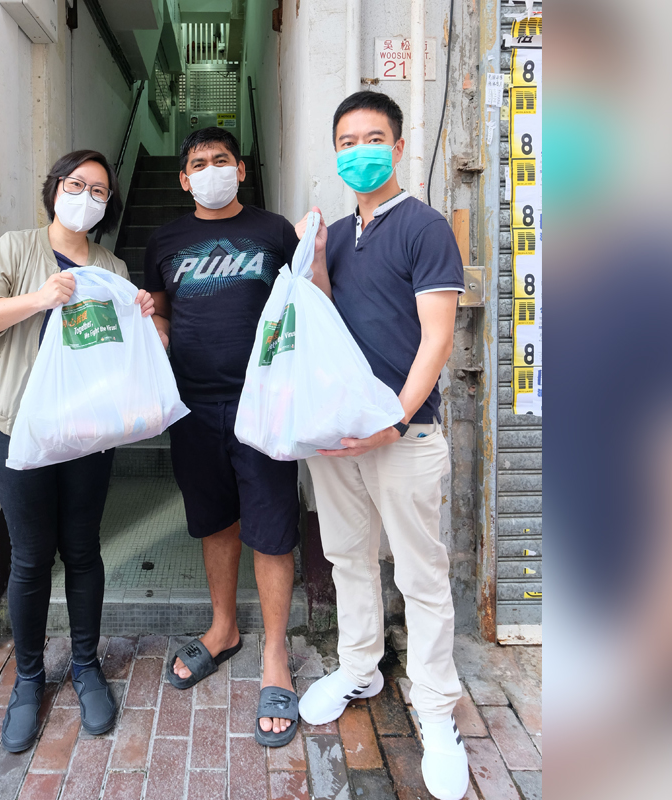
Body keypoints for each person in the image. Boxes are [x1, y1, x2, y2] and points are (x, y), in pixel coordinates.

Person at [294, 92, 469, 799]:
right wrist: (312, 262)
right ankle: (360, 667)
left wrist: (392, 421)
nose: (358, 150)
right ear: (334, 153)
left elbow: (437, 339)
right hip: (339, 437)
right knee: (347, 559)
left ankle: (435, 710)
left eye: (373, 137)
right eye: (346, 140)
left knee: (421, 578)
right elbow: (328, 321)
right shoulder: (336, 232)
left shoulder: (425, 228)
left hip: (405, 433)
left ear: (399, 148)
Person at [0, 150, 155, 753]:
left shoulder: (113, 264)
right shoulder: (16, 250)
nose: (87, 195)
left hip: (88, 432)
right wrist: (39, 299)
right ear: (54, 188)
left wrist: (141, 315)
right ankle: (30, 680)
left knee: (85, 549)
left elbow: (115, 346)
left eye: (99, 189)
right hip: (19, 429)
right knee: (33, 558)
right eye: (76, 183)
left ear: (109, 202)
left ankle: (87, 665)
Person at [142, 127, 303, 746]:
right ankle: (224, 629)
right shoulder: (165, 239)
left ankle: (275, 656)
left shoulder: (274, 232)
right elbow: (157, 307)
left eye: (220, 160)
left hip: (261, 404)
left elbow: (300, 305)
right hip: (192, 405)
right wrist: (155, 327)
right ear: (183, 179)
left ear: (240, 169)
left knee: (270, 525)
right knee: (215, 521)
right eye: (198, 163)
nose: (210, 169)